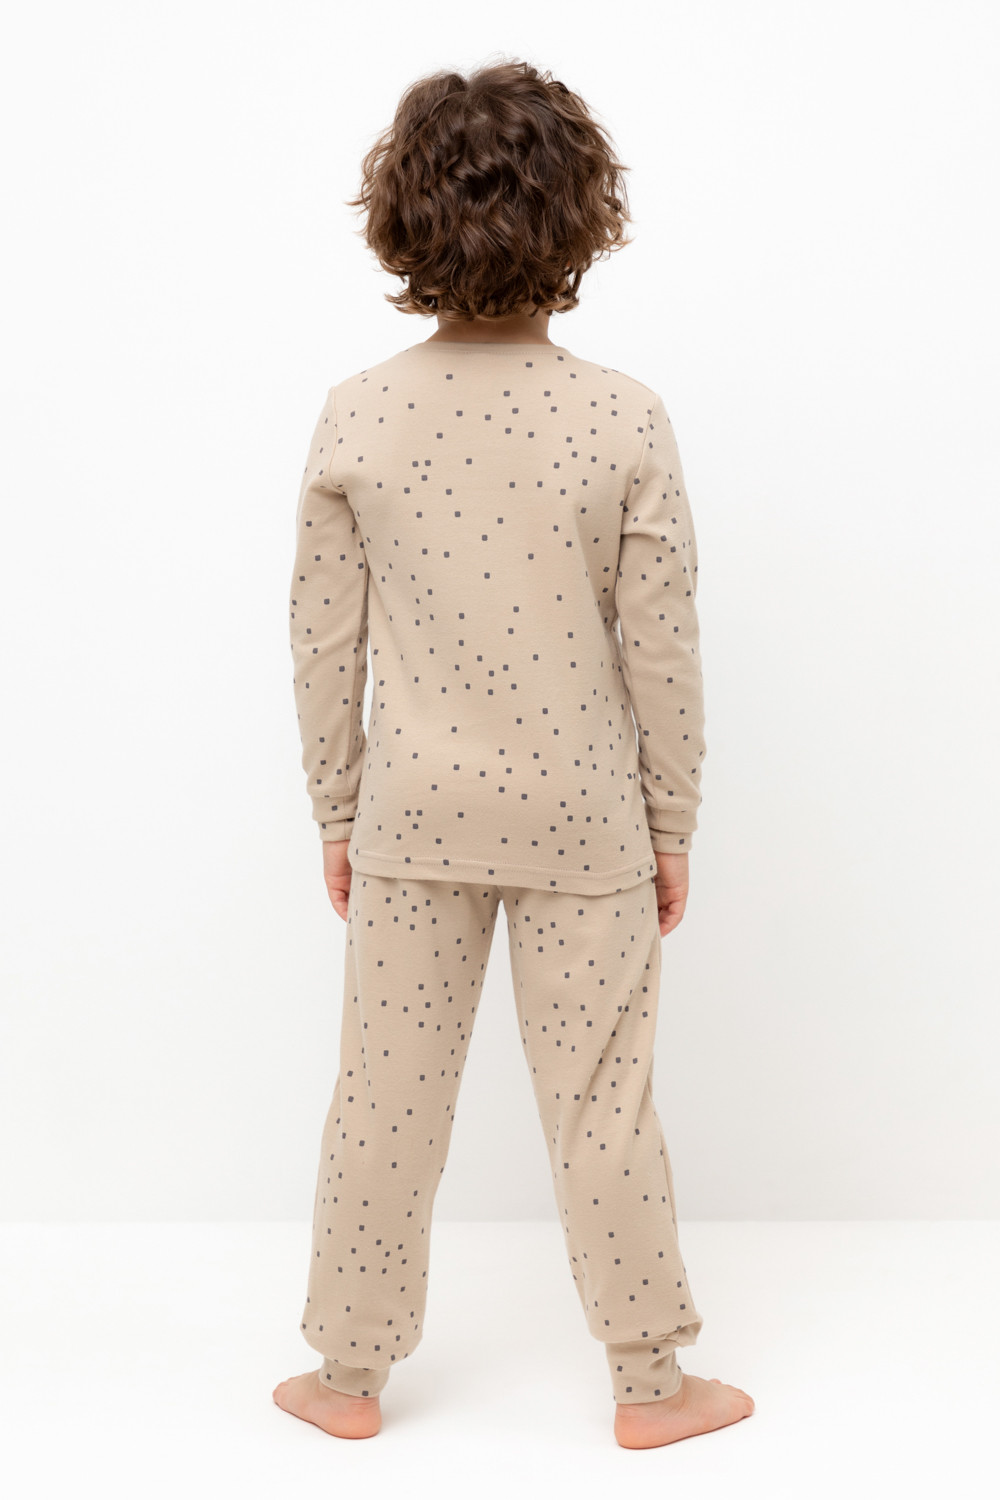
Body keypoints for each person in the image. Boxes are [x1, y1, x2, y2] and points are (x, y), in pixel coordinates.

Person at [273, 58, 754, 1448]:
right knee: (606, 1105)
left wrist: (337, 811)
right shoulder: (623, 417)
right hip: (584, 820)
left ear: (402, 220)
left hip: (414, 815)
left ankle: (347, 1377)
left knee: (384, 1098)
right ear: (580, 221)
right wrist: (671, 822)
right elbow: (663, 648)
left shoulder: (357, 413)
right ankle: (652, 1383)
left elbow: (322, 642)